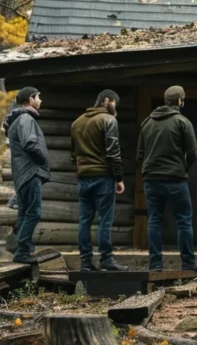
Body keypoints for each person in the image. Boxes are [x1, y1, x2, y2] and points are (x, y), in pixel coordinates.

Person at [138, 85, 197, 271]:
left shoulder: (146, 123)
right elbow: (193, 153)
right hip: (175, 178)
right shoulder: (182, 122)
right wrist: (183, 168)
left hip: (151, 179)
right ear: (179, 101)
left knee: (154, 220)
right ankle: (188, 262)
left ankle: (155, 264)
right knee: (183, 220)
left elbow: (139, 155)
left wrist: (148, 171)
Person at [71, 89, 128, 272]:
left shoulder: (76, 123)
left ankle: (85, 262)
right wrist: (118, 178)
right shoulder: (109, 120)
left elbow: (73, 154)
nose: (115, 107)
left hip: (83, 177)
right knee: (105, 220)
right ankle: (106, 259)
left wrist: (80, 170)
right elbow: (113, 152)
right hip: (103, 176)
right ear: (106, 100)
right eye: (114, 103)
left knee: (84, 221)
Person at [4, 87, 49, 264]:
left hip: (22, 173)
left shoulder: (19, 120)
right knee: (34, 212)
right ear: (30, 99)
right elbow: (30, 143)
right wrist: (42, 159)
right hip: (30, 172)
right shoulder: (25, 119)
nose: (40, 101)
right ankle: (22, 249)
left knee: (24, 213)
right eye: (38, 97)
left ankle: (24, 251)